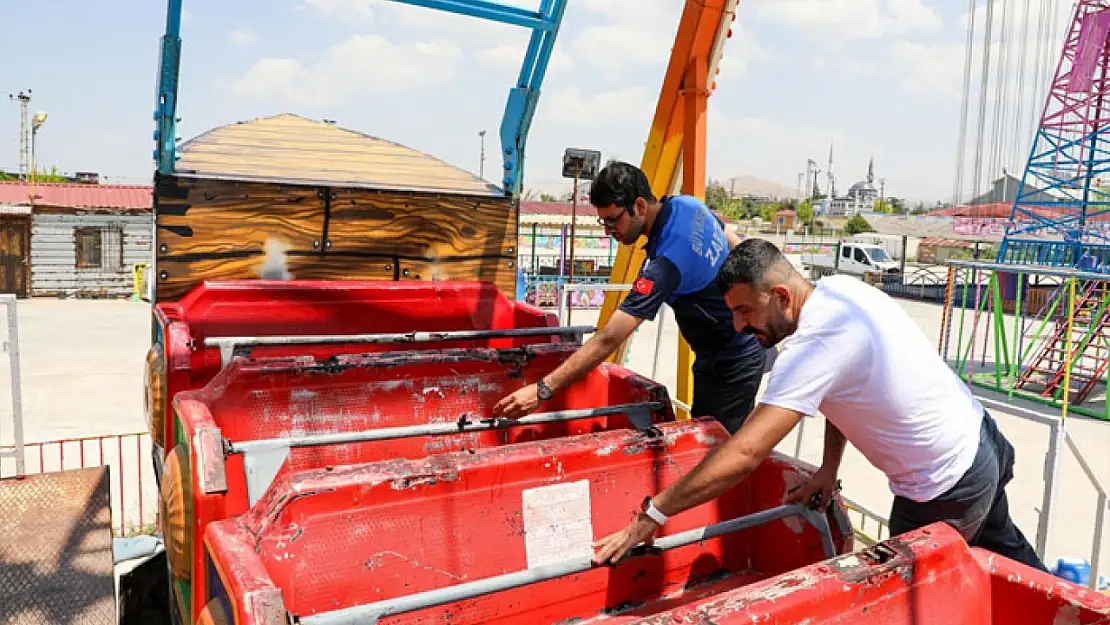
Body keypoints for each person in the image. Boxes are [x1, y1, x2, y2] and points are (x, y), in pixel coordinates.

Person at [592, 237, 1047, 573]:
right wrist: (829, 470)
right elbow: (842, 394)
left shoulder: (812, 346)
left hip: (942, 488)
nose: (737, 326)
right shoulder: (842, 290)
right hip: (982, 443)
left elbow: (745, 453)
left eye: (746, 312)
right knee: (1014, 563)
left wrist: (652, 515)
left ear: (781, 297)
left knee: (906, 597)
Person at [491, 161, 768, 434]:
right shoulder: (688, 206)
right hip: (729, 347)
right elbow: (733, 241)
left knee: (715, 454)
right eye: (603, 221)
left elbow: (610, 338)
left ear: (639, 206)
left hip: (732, 361)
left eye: (613, 220)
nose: (608, 231)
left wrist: (542, 390)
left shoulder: (666, 262)